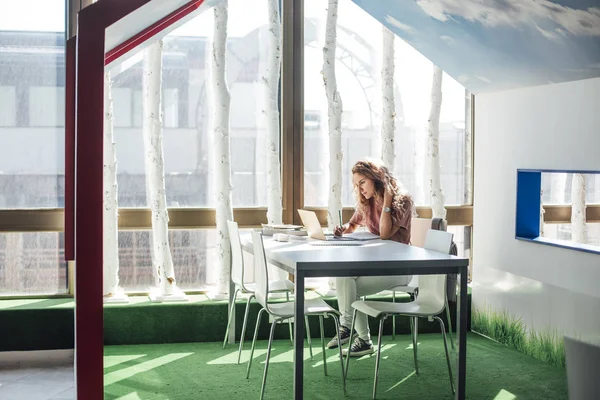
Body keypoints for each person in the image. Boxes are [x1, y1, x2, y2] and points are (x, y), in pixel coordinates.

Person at [327, 158, 415, 356]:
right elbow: (352, 225)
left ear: (376, 179)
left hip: (399, 268)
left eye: (362, 183)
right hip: (378, 265)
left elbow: (384, 233)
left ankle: (349, 330)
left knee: (350, 286)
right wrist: (343, 230)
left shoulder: (403, 200)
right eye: (356, 185)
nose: (359, 189)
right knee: (345, 278)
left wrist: (387, 202)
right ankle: (357, 335)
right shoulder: (366, 203)